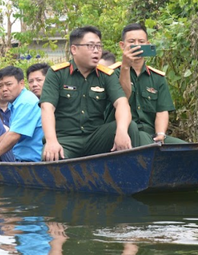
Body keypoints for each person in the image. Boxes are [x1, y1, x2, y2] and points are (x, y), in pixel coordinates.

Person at [40, 26, 140, 160]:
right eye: (91, 46)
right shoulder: (57, 74)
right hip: (65, 140)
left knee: (129, 127)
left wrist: (121, 131)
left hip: (95, 138)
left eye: (99, 46)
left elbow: (122, 103)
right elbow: (47, 108)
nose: (96, 51)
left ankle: (133, 171)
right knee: (52, 156)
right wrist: (51, 141)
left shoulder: (106, 75)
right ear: (74, 49)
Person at [117, 22, 185, 145]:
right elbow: (123, 98)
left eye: (141, 42)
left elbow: (162, 111)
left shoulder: (157, 77)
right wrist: (125, 66)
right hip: (127, 132)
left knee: (184, 148)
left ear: (148, 45)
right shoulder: (113, 73)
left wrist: (160, 134)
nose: (137, 45)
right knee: (143, 139)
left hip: (152, 134)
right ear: (122, 46)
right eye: (132, 41)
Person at [0, 66, 44, 165]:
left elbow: (14, 136)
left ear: (21, 84)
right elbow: (11, 131)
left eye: (9, 84)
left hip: (33, 162)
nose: (4, 89)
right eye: (0, 86)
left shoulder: (26, 102)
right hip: (20, 158)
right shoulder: (16, 102)